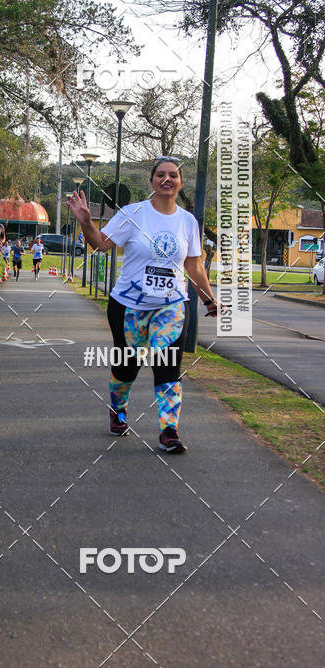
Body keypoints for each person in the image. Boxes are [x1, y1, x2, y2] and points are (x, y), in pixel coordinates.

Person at [67, 157, 218, 454]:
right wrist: (85, 222)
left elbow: (194, 265)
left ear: (180, 182)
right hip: (128, 306)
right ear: (151, 181)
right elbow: (101, 244)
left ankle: (168, 431)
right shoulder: (132, 213)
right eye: (160, 174)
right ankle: (118, 411)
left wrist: (209, 300)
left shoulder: (187, 221)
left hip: (171, 306)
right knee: (127, 367)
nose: (167, 179)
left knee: (167, 366)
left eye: (173, 175)